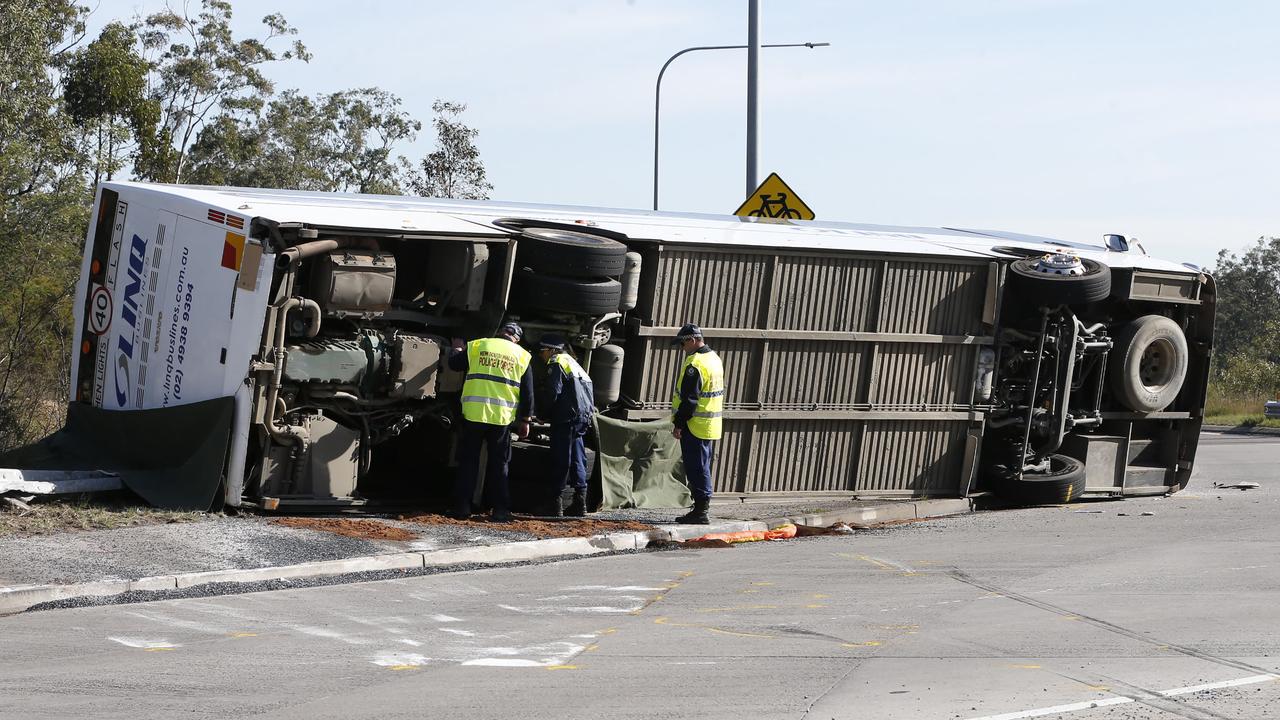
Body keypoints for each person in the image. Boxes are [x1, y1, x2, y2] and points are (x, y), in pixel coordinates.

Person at [448, 322, 534, 522]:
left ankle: (462, 507)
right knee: (499, 465)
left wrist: (457, 349)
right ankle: (500, 510)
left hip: (474, 414)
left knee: (469, 462)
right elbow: (528, 393)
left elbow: (454, 365)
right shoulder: (522, 355)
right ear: (516, 339)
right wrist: (526, 420)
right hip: (501, 419)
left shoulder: (479, 345)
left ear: (500, 332)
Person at [669, 323, 724, 525]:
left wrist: (679, 424)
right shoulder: (714, 358)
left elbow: (690, 399)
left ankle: (701, 511)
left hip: (695, 424)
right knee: (702, 466)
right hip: (709, 424)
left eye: (682, 344)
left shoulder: (696, 364)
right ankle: (700, 508)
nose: (682, 349)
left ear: (691, 340)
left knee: (696, 467)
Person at [537, 333, 595, 517]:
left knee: (561, 458)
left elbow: (553, 391)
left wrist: (542, 414)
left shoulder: (557, 361)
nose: (541, 355)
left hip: (566, 417)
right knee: (578, 457)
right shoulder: (575, 364)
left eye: (542, 351)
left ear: (551, 350)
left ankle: (555, 505)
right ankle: (580, 502)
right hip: (581, 417)